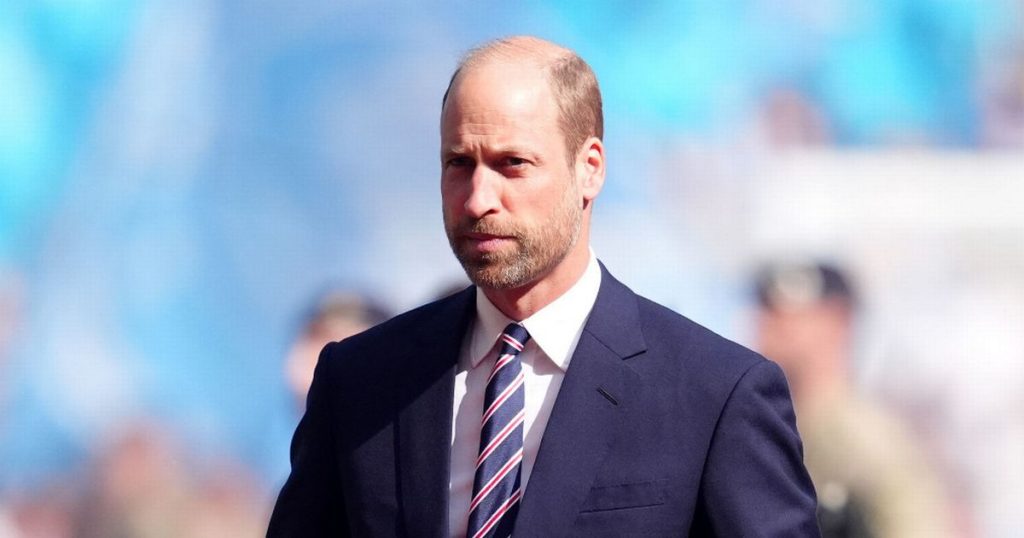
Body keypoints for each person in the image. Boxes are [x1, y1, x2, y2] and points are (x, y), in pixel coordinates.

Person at [268, 36, 819, 537]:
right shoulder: (361, 381)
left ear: (589, 169)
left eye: (512, 164)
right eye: (459, 163)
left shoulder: (714, 393)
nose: (478, 199)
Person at [753, 261, 954, 538]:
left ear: (839, 320)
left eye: (790, 314)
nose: (771, 324)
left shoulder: (865, 438)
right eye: (767, 311)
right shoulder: (768, 421)